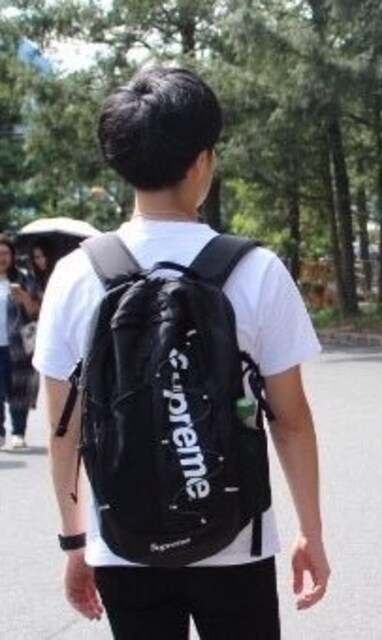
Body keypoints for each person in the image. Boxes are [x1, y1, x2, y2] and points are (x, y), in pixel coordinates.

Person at [33, 66, 330, 639]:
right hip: (236, 540)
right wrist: (310, 533)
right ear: (201, 163)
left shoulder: (74, 276)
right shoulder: (256, 271)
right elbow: (290, 421)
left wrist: (75, 541)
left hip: (124, 543)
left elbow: (64, 429)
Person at [0, 235, 40, 451]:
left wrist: (24, 298)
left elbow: (36, 313)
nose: (2, 258)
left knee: (19, 390)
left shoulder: (24, 279)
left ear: (13, 256)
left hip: (18, 347)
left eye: (5, 253)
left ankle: (18, 432)